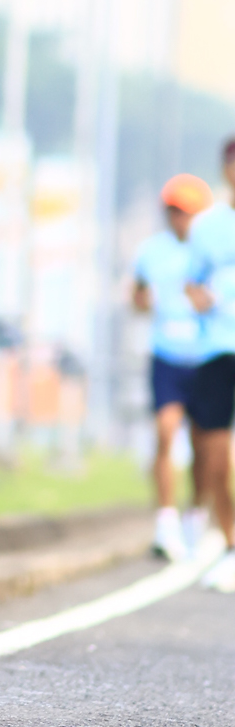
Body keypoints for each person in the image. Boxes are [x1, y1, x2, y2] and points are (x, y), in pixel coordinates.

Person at [131, 174, 212, 560]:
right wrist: (142, 301)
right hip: (166, 355)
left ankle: (196, 514)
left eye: (188, 212)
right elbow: (137, 294)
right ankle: (166, 522)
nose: (181, 219)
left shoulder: (213, 250)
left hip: (206, 356)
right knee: (165, 431)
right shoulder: (151, 251)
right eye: (175, 211)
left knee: (204, 444)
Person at [183, 138, 235, 593]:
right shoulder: (207, 227)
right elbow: (191, 282)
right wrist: (200, 298)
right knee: (216, 453)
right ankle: (230, 541)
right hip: (217, 347)